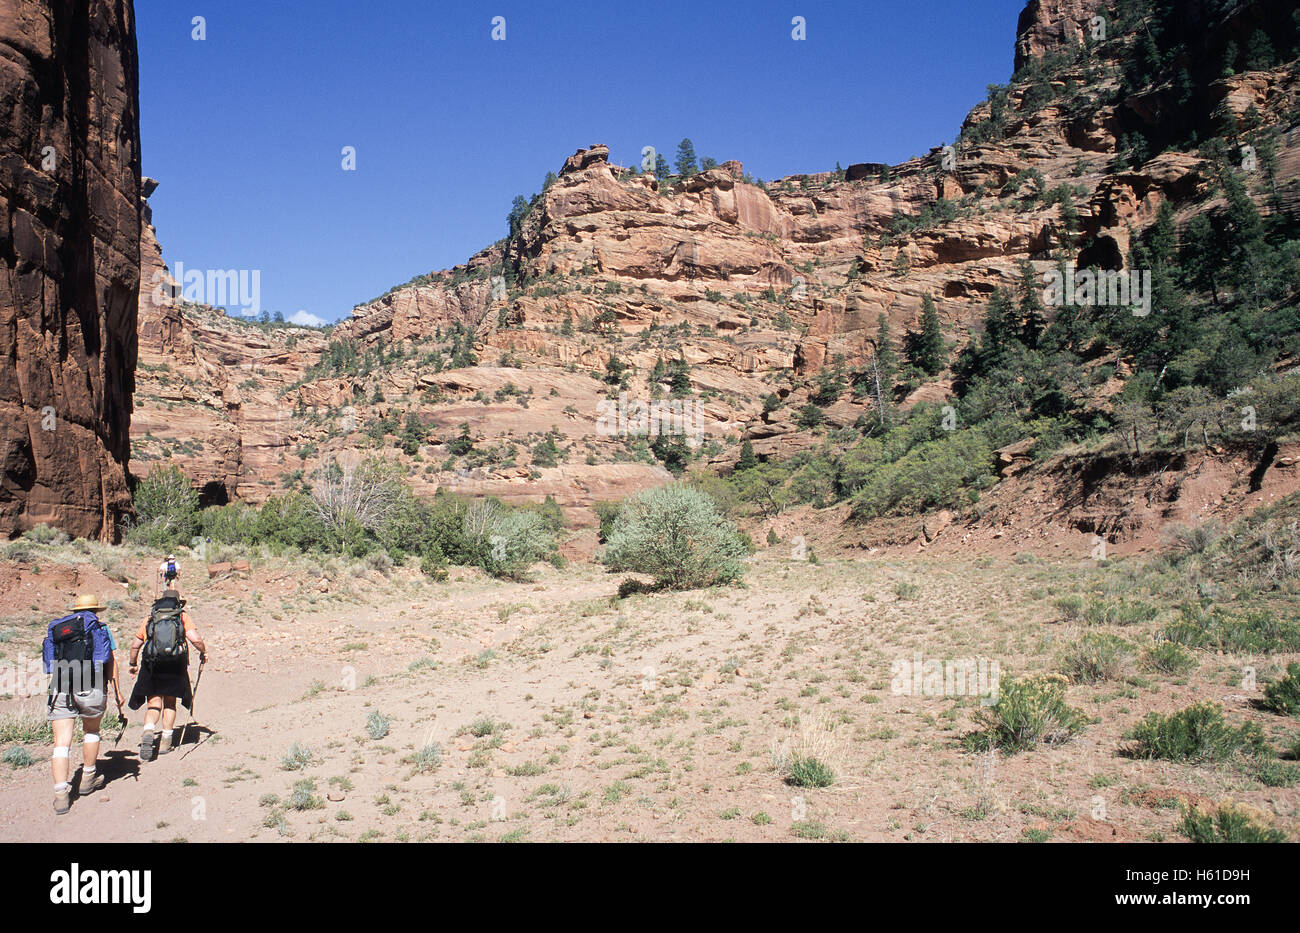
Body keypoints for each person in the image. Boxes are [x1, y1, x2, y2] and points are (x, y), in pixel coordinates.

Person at [43, 594, 125, 815]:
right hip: (91, 685)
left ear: (75, 610)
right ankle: (88, 777)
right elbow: (110, 661)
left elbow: (50, 660)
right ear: (96, 610)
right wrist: (117, 692)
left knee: (61, 742)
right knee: (91, 731)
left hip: (61, 686)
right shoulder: (100, 628)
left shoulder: (61, 628)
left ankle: (61, 794)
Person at [128, 589, 206, 761]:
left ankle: (148, 730)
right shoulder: (181, 616)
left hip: (152, 664)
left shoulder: (150, 618)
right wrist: (203, 652)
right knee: (170, 702)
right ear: (177, 602)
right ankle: (166, 741)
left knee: (154, 703)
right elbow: (195, 639)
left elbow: (135, 645)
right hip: (175, 665)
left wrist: (133, 664)